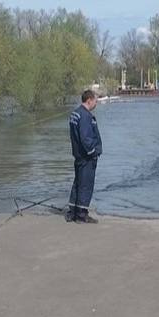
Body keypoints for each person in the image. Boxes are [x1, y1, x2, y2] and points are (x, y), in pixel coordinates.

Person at [66, 89, 102, 224]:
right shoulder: (85, 116)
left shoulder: (75, 114)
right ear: (89, 100)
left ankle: (72, 212)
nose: (96, 104)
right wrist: (93, 152)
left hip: (78, 155)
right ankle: (81, 213)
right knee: (86, 185)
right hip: (86, 157)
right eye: (96, 101)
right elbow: (86, 138)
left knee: (78, 183)